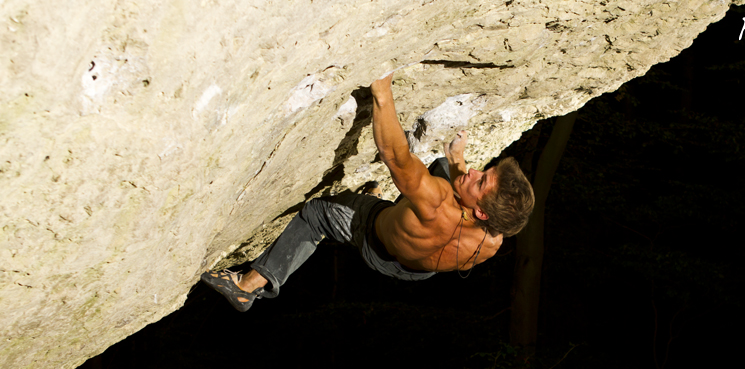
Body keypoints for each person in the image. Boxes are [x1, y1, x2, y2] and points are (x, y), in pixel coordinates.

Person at [201, 72, 535, 311]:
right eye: (484, 171)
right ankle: (382, 200)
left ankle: (251, 285)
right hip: (413, 269)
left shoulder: (436, 200)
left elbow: (395, 156)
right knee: (441, 170)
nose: (475, 171)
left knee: (316, 213)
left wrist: (382, 91)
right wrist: (458, 163)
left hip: (371, 235)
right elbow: (465, 205)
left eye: (480, 180)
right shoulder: (493, 240)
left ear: (481, 211)